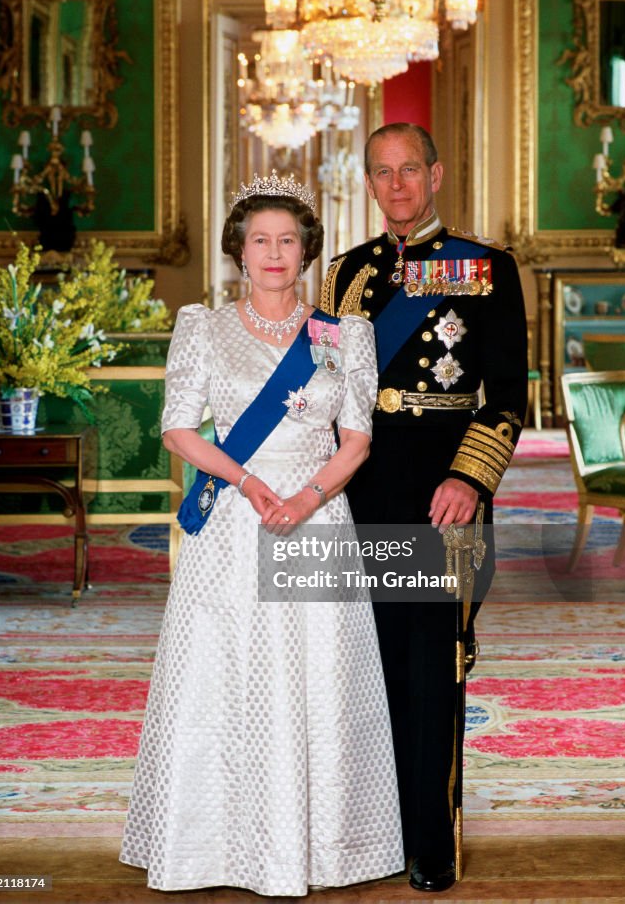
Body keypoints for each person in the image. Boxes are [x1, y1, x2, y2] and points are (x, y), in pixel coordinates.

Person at [119, 172, 404, 896]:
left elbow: (357, 441)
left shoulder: (343, 336)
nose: (274, 253)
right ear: (239, 253)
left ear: (306, 251)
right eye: (260, 241)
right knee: (224, 678)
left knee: (321, 682)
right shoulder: (203, 327)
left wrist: (307, 497)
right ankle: (212, 847)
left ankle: (326, 848)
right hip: (235, 524)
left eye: (287, 241)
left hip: (316, 515)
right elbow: (178, 429)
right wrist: (249, 484)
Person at [321, 123, 529, 892]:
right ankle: (374, 828)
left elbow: (508, 398)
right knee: (366, 665)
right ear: (369, 183)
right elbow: (325, 392)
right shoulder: (342, 275)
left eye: (411, 169)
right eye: (383, 173)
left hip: (443, 495)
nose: (398, 185)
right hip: (362, 490)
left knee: (429, 669)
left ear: (436, 175)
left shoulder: (486, 267)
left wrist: (470, 480)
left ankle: (429, 838)